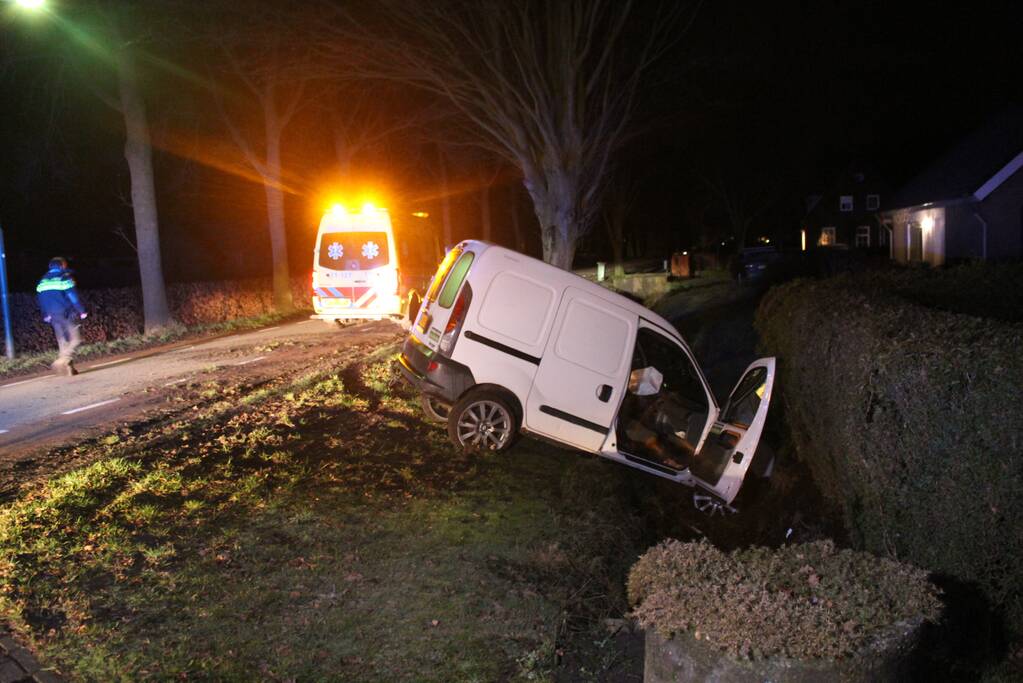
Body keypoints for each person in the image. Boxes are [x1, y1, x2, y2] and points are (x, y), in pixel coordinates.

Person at [36, 257, 87, 376]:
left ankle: (69, 369)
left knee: (63, 341)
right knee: (75, 339)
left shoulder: (42, 281)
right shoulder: (63, 278)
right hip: (65, 313)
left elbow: (41, 299)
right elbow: (72, 296)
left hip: (52, 315)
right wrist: (81, 310)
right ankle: (62, 360)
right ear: (62, 265)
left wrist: (46, 314)